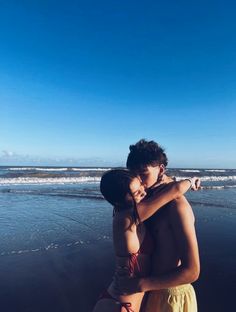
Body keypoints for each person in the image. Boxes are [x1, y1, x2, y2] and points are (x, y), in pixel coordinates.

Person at [93, 168, 200, 312]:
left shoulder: (132, 212)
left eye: (141, 186)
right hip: (120, 304)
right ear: (119, 202)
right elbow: (176, 189)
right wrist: (191, 181)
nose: (144, 192)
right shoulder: (126, 218)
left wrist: (162, 180)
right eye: (136, 193)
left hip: (126, 300)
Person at [116, 139, 200, 312]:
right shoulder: (146, 202)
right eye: (134, 175)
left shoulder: (177, 206)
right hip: (148, 292)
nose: (139, 182)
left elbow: (192, 271)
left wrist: (139, 285)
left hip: (171, 298)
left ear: (161, 169)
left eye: (143, 174)